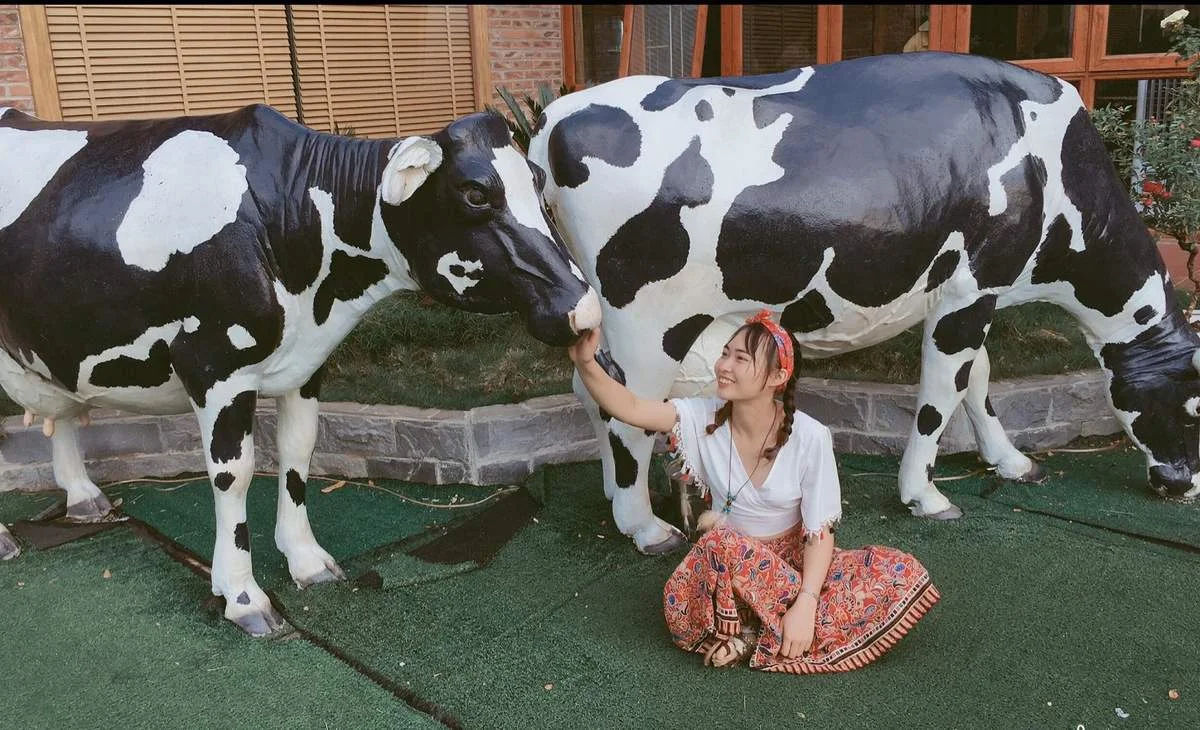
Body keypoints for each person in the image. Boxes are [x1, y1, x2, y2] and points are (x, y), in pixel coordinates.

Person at [568, 310, 939, 672]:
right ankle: (766, 629)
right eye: (725, 353)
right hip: (728, 561)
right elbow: (630, 407)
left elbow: (819, 534)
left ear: (778, 375)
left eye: (741, 358)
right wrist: (586, 363)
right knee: (706, 564)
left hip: (790, 568)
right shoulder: (701, 417)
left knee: (899, 571)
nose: (723, 366)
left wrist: (807, 602)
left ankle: (752, 631)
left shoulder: (810, 437)